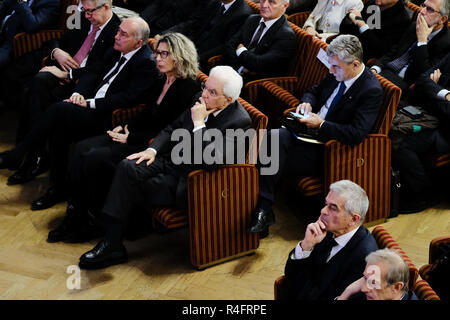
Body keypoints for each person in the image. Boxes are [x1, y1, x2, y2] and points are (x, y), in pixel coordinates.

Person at [76, 65, 253, 270]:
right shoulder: (201, 97)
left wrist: (198, 124)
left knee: (129, 182)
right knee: (125, 166)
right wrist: (151, 151)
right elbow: (172, 129)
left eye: (212, 92)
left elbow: (211, 161)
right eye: (205, 87)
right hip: (170, 160)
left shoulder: (239, 123)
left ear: (228, 100)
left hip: (193, 180)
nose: (204, 94)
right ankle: (112, 239)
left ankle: (112, 235)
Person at [47, 32, 201, 243]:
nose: (158, 58)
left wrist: (132, 137)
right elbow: (146, 111)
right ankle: (76, 215)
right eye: (158, 53)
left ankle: (92, 220)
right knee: (80, 148)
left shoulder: (188, 89)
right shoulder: (161, 79)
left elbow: (171, 131)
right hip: (135, 135)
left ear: (180, 57)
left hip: (151, 146)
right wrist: (125, 126)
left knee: (94, 158)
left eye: (165, 54)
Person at [0, 17, 158, 211]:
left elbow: (126, 98)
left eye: (123, 34)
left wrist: (89, 103)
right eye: (118, 32)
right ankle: (57, 188)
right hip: (88, 104)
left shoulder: (146, 64)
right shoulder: (117, 49)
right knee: (59, 125)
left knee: (59, 109)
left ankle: (18, 154)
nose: (116, 37)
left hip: (107, 115)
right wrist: (77, 94)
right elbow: (94, 72)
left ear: (138, 42)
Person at [247, 35, 383, 236]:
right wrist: (307, 102)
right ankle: (263, 209)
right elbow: (314, 90)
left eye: (335, 67)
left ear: (355, 64)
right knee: (271, 138)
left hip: (328, 150)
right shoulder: (337, 71)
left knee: (270, 151)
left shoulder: (370, 90)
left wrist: (322, 124)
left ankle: (262, 209)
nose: (330, 70)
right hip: (308, 133)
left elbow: (356, 134)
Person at [6, 0, 121, 186]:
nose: (86, 15)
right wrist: (56, 51)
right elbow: (59, 38)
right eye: (84, 10)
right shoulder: (83, 19)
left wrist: (69, 73)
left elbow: (101, 69)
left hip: (85, 86)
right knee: (35, 84)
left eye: (90, 11)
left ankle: (29, 157)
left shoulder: (118, 32)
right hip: (64, 74)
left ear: (106, 7)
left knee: (33, 90)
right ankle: (34, 156)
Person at [283, 180, 378, 300]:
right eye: (326, 204)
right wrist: (306, 246)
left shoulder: (364, 259)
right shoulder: (326, 231)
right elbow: (290, 275)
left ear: (353, 219)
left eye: (333, 208)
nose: (323, 211)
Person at [391, 51, 449, 214]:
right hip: (429, 115)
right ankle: (400, 184)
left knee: (402, 144)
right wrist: (444, 94)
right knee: (393, 125)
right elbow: (423, 80)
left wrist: (432, 91)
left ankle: (423, 192)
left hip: (445, 130)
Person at [370, 0, 449, 95]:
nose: (422, 11)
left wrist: (422, 41)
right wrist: (375, 68)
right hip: (386, 71)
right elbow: (392, 52)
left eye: (429, 9)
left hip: (405, 84)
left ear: (443, 19)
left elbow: (425, 75)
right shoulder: (414, 26)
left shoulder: (446, 44)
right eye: (423, 5)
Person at [168, 0, 253, 71]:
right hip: (193, 46)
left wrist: (195, 57)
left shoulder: (243, 14)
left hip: (207, 58)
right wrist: (184, 44)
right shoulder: (215, 2)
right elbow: (199, 25)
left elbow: (226, 46)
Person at [224, 0, 297, 82]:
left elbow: (259, 63)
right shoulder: (252, 19)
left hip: (255, 86)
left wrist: (241, 51)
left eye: (271, 2)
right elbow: (230, 45)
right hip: (232, 72)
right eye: (263, 0)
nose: (264, 5)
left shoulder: (286, 36)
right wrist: (239, 68)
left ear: (285, 6)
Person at [339, 0, 411, 61]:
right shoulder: (372, 3)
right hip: (346, 44)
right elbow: (345, 31)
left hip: (360, 56)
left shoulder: (402, 19)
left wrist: (361, 24)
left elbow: (379, 50)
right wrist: (349, 19)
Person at [337, 248, 418, 300]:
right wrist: (347, 292)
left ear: (396, 287)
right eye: (365, 278)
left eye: (373, 282)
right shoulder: (362, 294)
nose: (363, 289)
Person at [0, 0, 60, 68]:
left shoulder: (51, 2)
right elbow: (4, 6)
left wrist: (21, 2)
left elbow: (32, 26)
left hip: (14, 44)